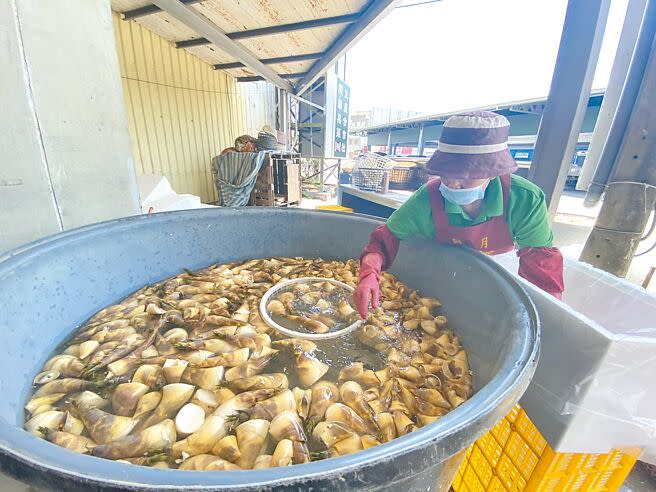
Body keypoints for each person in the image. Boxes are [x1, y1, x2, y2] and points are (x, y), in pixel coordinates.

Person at [353, 111, 564, 319]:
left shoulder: (524, 200)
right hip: (441, 277)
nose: (453, 183)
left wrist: (547, 319)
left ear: (492, 172)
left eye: (465, 176)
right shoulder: (427, 199)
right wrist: (369, 274)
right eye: (446, 174)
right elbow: (384, 239)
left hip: (495, 281)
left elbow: (541, 266)